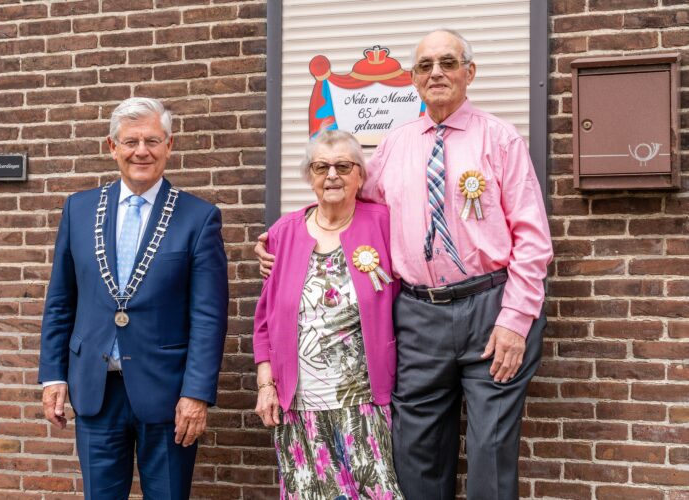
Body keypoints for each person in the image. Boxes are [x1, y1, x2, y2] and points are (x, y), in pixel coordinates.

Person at [256, 30, 553, 500]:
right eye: (425, 66)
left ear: (468, 73)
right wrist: (287, 235)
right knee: (414, 450)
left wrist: (516, 320)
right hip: (417, 314)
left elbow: (533, 239)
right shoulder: (394, 145)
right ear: (413, 79)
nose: (436, 73)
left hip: (491, 307)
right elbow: (346, 200)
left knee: (489, 449)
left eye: (448, 62)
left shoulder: (500, 139)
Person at [38, 97, 228, 499]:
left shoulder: (199, 217)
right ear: (112, 147)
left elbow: (209, 315)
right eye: (131, 141)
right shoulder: (79, 209)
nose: (141, 151)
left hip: (168, 395)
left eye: (152, 141)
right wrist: (54, 375)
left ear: (170, 145)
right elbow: (60, 300)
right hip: (95, 391)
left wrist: (196, 393)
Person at [254, 130, 404, 500]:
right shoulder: (282, 234)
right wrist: (265, 384)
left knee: (376, 492)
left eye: (343, 166)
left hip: (365, 403)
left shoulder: (384, 223)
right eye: (321, 166)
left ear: (360, 176)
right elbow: (264, 322)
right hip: (298, 405)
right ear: (310, 176)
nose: (332, 175)